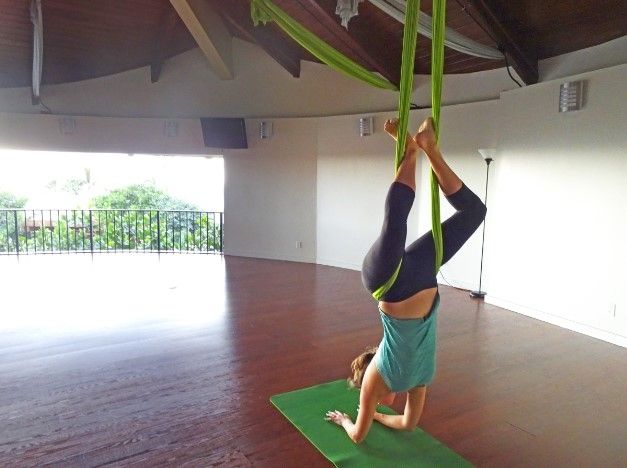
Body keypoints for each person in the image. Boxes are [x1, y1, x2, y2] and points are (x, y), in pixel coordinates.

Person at [325, 117, 486, 443]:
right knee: (474, 212)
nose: (387, 404)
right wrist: (375, 416)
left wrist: (349, 418)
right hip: (423, 274)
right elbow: (408, 425)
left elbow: (359, 435)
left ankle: (409, 151)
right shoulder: (417, 381)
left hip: (388, 283)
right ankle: (428, 148)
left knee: (395, 222)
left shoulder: (378, 378)